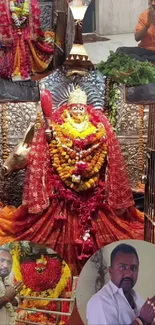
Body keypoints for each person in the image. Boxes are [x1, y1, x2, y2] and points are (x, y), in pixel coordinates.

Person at [0, 87, 144, 275]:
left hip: (93, 195)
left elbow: (109, 160)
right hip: (61, 198)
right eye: (74, 108)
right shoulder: (56, 128)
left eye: (80, 108)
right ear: (68, 108)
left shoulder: (99, 128)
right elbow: (43, 156)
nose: (77, 111)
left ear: (87, 108)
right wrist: (49, 137)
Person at [87, 243, 155, 325]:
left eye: (133, 268)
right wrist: (141, 320)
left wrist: (150, 320)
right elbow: (143, 320)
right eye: (122, 267)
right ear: (110, 271)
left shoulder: (137, 297)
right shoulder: (100, 301)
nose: (128, 274)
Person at [0, 0, 55, 81]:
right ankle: (13, 70)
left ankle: (26, 69)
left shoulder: (31, 2)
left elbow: (33, 19)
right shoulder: (5, 2)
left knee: (26, 44)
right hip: (12, 31)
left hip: (25, 30)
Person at [0, 248, 23, 325]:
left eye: (9, 262)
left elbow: (14, 304)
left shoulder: (8, 280)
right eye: (2, 260)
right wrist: (6, 298)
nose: (6, 265)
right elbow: (7, 298)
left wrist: (13, 299)